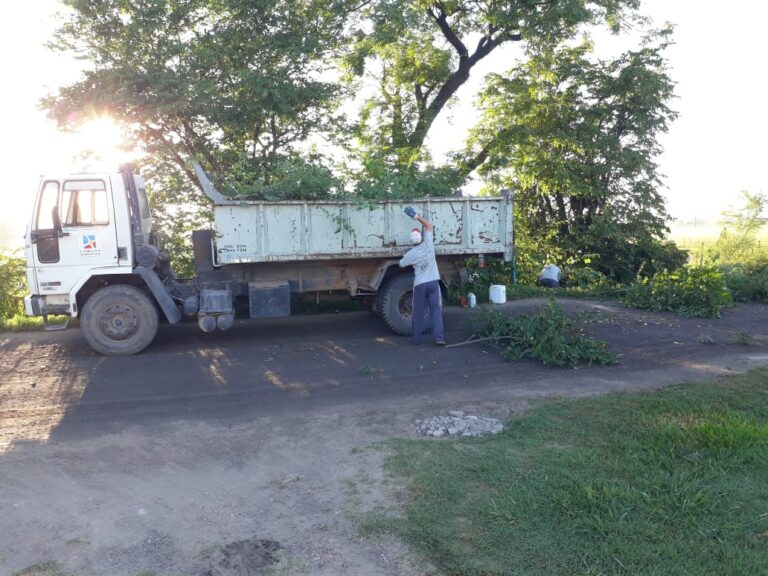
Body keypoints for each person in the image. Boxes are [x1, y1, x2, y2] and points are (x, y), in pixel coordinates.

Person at [399, 207, 446, 346]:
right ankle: (439, 338)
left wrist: (406, 253)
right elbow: (429, 225)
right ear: (421, 237)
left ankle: (416, 339)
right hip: (433, 283)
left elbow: (401, 264)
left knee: (418, 311)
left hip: (420, 284)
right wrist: (415, 216)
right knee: (436, 311)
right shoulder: (428, 243)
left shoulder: (411, 254)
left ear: (411, 241)